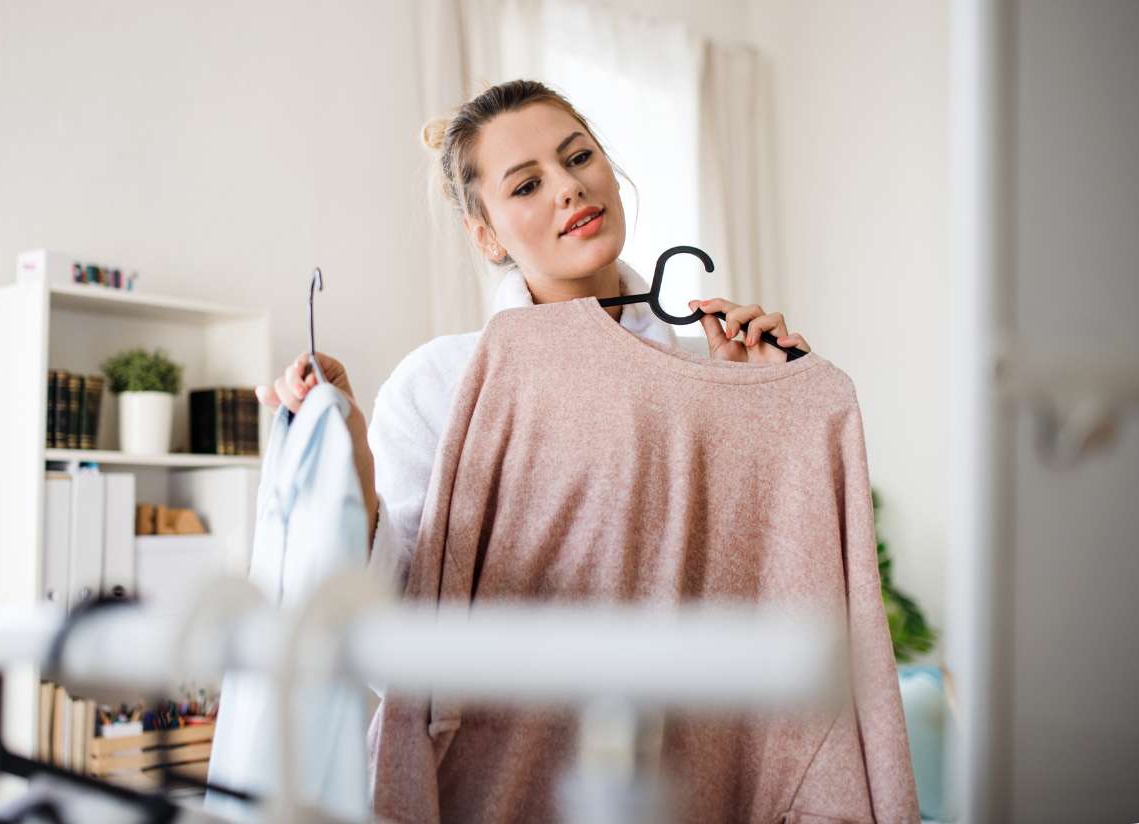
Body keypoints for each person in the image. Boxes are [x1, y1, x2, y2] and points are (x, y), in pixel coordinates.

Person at [253, 78, 812, 592]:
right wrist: (348, 451)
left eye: (579, 157)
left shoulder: (715, 369)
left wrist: (771, 414)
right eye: (526, 186)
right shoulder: (438, 385)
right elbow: (398, 611)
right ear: (486, 236)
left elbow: (774, 583)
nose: (569, 186)